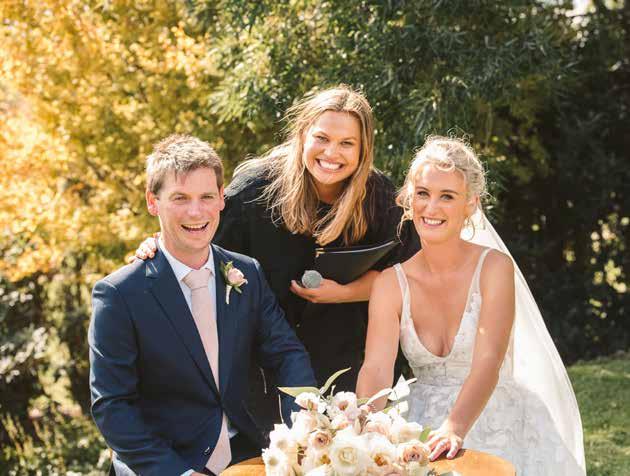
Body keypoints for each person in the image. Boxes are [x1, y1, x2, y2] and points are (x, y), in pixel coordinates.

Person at [134, 86, 419, 425]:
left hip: (346, 365)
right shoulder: (255, 190)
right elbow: (201, 242)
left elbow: (411, 277)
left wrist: (345, 293)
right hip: (261, 370)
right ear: (303, 135)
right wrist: (160, 247)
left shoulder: (380, 197)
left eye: (347, 143)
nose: (331, 152)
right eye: (322, 138)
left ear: (364, 148)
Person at [356, 136, 586, 475]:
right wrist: (365, 429)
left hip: (496, 417)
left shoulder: (494, 268)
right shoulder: (390, 283)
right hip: (418, 424)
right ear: (408, 198)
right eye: (423, 193)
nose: (431, 208)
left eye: (447, 196)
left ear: (471, 204)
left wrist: (454, 428)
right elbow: (376, 368)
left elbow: (489, 361)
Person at [89, 135, 316, 476]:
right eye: (180, 198)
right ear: (153, 202)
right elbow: (112, 406)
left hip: (243, 454)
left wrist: (302, 426)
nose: (196, 212)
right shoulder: (119, 294)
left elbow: (287, 354)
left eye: (206, 197)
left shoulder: (248, 274)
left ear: (222, 198)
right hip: (163, 463)